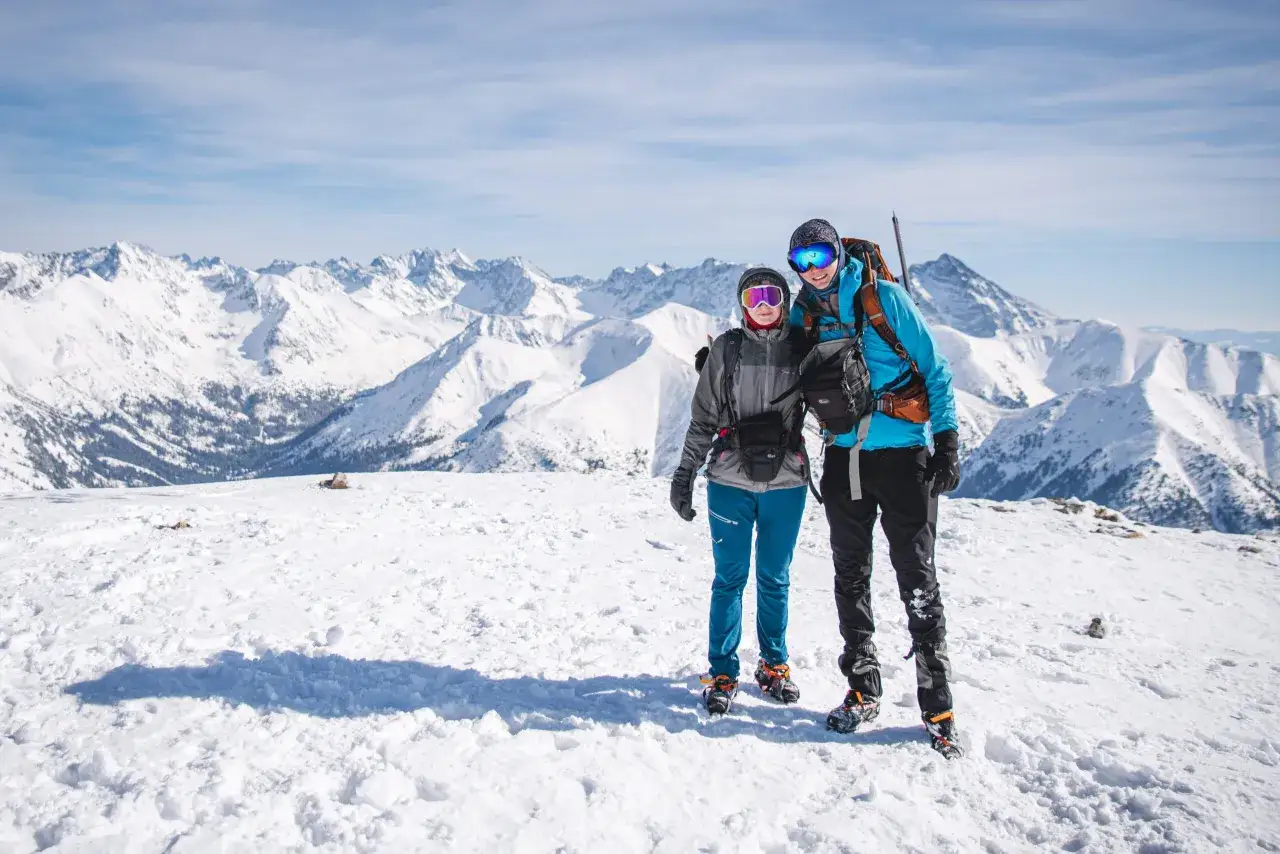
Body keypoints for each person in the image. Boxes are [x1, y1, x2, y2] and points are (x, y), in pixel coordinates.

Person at [786, 218, 964, 758]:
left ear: (838, 254)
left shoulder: (881, 298)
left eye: (819, 258)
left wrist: (948, 441)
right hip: (844, 462)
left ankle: (938, 705)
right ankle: (863, 689)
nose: (811, 272)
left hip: (905, 459)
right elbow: (785, 375)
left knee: (916, 579)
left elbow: (935, 369)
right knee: (850, 577)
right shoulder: (802, 314)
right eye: (801, 263)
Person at [670, 267, 811, 715]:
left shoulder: (802, 347)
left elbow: (834, 402)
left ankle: (773, 666)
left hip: (787, 482)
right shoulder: (728, 349)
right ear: (742, 305)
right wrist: (684, 473)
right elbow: (703, 420)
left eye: (772, 295)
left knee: (775, 577)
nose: (764, 304)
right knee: (729, 579)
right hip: (730, 481)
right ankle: (723, 671)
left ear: (784, 301)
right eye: (754, 298)